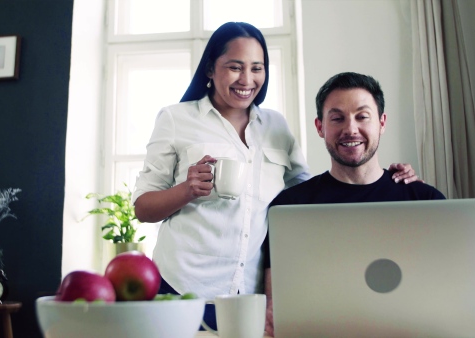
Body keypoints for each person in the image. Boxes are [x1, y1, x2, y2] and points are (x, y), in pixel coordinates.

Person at [132, 23, 419, 330]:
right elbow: (142, 208)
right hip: (182, 287)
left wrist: (387, 180)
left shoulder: (275, 125)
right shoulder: (176, 119)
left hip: (250, 297)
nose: (247, 79)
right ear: (210, 69)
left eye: (257, 68)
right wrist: (186, 190)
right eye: (234, 67)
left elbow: (309, 195)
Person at [262, 72, 446, 336]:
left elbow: (444, 292)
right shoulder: (289, 208)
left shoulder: (426, 201)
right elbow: (275, 307)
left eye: (362, 116)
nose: (350, 129)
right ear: (320, 127)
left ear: (382, 123)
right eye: (337, 118)